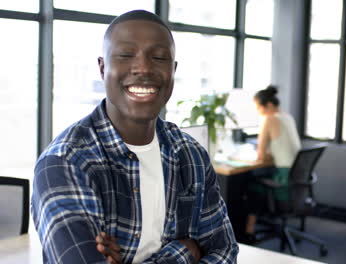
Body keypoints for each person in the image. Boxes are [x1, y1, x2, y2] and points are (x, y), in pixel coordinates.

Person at [31, 10, 238, 264]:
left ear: (173, 71)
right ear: (103, 67)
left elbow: (224, 252)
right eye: (126, 55)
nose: (143, 68)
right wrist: (184, 252)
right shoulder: (65, 163)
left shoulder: (191, 154)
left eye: (159, 57)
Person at [244, 85, 301, 243]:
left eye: (259, 108)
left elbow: (261, 155)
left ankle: (248, 231)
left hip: (283, 178)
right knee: (258, 176)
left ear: (268, 106)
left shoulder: (269, 119)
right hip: (295, 175)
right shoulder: (287, 117)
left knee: (251, 184)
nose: (258, 112)